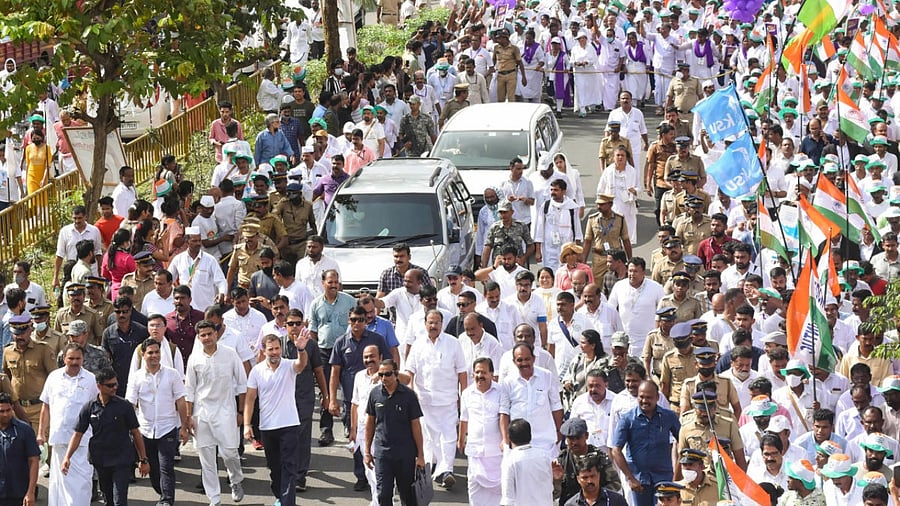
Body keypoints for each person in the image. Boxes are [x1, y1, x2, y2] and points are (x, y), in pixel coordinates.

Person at [61, 367, 149, 506]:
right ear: (99, 386)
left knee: (119, 500)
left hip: (122, 459)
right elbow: (78, 434)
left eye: (116, 384)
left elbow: (136, 433)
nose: (114, 388)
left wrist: (143, 459)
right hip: (101, 460)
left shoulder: (124, 406)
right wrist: (67, 457)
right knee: (108, 498)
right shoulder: (89, 407)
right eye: (110, 385)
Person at [243, 330, 311, 506]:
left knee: (289, 466)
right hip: (267, 427)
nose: (274, 352)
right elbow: (250, 399)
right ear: (264, 351)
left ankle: (288, 502)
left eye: (277, 348)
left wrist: (301, 350)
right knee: (274, 468)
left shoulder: (289, 365)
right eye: (270, 349)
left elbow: (301, 365)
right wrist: (247, 424)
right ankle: (280, 496)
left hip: (289, 424)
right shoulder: (257, 371)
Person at [184, 320, 247, 505]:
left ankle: (236, 480)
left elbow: (242, 384)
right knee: (207, 459)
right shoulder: (194, 358)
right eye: (203, 335)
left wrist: (241, 411)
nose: (207, 338)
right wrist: (188, 417)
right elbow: (189, 389)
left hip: (226, 411)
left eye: (209, 334)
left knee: (230, 453)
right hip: (201, 413)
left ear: (216, 334)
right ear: (198, 337)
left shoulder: (230, 354)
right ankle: (214, 498)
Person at [405, 309, 467, 488]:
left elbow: (462, 372)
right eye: (430, 322)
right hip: (424, 400)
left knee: (448, 436)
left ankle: (446, 469)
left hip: (448, 399)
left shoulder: (453, 343)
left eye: (436, 323)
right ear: (425, 324)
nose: (433, 326)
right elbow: (410, 371)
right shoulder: (418, 344)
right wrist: (410, 391)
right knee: (429, 437)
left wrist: (464, 398)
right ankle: (435, 468)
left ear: (442, 324)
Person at [125, 338, 189, 506]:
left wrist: (184, 426)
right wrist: (129, 430)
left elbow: (181, 401)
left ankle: (167, 500)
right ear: (143, 355)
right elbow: (130, 404)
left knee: (166, 466)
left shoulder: (172, 374)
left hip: (167, 427)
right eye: (150, 353)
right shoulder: (136, 377)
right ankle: (163, 492)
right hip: (145, 429)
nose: (154, 356)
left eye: (157, 352)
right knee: (153, 469)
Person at [38, 343, 97, 506]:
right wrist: (41, 433)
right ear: (64, 359)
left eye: (78, 358)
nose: (75, 362)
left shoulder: (91, 379)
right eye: (71, 358)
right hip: (59, 438)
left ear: (83, 359)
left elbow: (98, 408)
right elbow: (46, 406)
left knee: (81, 483)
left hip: (83, 441)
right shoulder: (54, 377)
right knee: (59, 482)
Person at [364, 358, 425, 506]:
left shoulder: (409, 396)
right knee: (383, 494)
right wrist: (367, 451)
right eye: (381, 375)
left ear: (396, 374)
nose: (384, 378)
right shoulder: (375, 394)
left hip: (405, 454)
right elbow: (370, 423)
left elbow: (416, 425)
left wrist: (421, 455)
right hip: (383, 453)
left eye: (388, 374)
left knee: (407, 495)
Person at [610, 380, 681, 506]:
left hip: (663, 477)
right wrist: (630, 478)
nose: (644, 401)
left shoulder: (668, 416)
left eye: (649, 397)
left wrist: (678, 470)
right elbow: (616, 450)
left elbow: (683, 440)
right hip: (639, 481)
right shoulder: (628, 419)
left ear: (657, 397)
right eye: (641, 397)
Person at [501, 418, 554, 505]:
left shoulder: (510, 460)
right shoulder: (544, 455)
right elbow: (549, 486)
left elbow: (508, 498)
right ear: (530, 435)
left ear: (509, 437)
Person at [563, 452, 628, 506]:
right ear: (578, 479)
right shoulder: (571, 504)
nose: (589, 481)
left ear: (599, 475)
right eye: (585, 477)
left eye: (592, 476)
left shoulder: (616, 500)